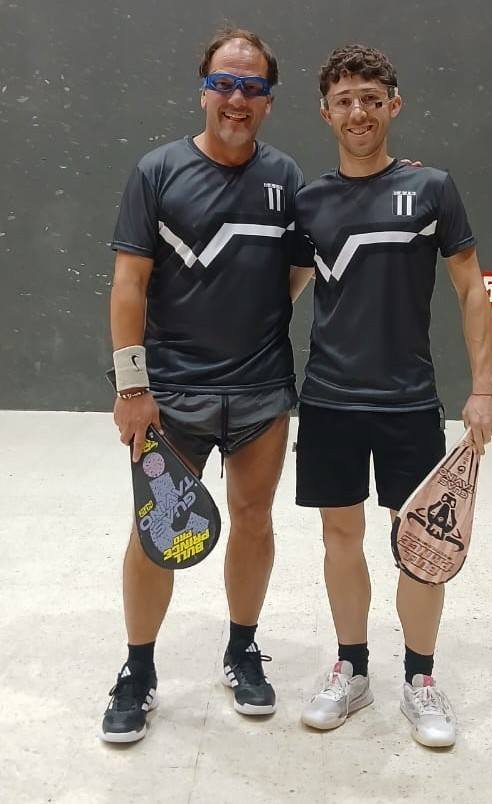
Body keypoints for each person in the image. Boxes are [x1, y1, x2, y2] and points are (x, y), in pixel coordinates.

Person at [101, 27, 313, 743]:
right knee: (156, 529)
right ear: (203, 90)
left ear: (269, 99)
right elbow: (128, 284)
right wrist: (134, 387)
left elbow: (295, 274)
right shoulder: (156, 172)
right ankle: (137, 669)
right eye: (224, 83)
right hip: (170, 397)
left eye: (252, 87)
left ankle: (242, 650)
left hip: (261, 392)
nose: (236, 98)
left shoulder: (286, 178)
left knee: (254, 520)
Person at [293, 44, 492, 747]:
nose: (358, 112)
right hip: (328, 399)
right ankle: (351, 669)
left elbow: (470, 288)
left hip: (408, 400)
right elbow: (279, 293)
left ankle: (419, 679)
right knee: (339, 536)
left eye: (371, 99)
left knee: (419, 545)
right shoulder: (309, 202)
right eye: (344, 100)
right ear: (326, 112)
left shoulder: (431, 188)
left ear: (393, 105)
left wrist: (483, 387)